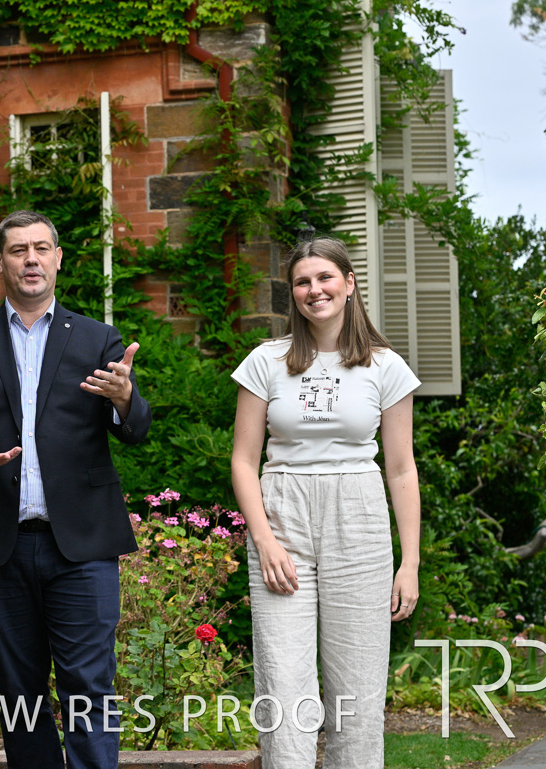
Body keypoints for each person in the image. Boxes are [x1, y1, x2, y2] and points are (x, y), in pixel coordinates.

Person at [0, 209, 152, 769]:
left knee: (89, 687)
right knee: (19, 693)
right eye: (18, 250)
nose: (31, 259)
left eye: (41, 248)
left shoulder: (97, 339)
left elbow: (136, 430)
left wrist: (125, 399)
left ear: (58, 259)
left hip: (81, 547)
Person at [230, 236, 421, 769]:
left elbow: (401, 469)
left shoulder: (386, 366)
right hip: (282, 517)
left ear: (349, 283)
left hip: (358, 518)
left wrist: (410, 562)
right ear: (292, 292)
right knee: (282, 683)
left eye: (324, 278)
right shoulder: (266, 361)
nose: (314, 290)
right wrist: (265, 541)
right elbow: (243, 460)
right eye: (302, 281)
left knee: (357, 686)